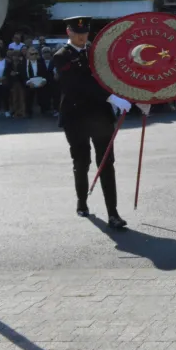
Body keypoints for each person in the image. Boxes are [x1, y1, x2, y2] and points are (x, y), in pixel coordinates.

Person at [52, 16, 132, 229]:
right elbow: (77, 85)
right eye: (77, 33)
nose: (82, 37)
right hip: (75, 117)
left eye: (85, 33)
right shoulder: (61, 56)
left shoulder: (97, 54)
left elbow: (115, 75)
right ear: (68, 32)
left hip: (100, 116)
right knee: (82, 162)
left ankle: (113, 214)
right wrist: (111, 97)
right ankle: (82, 200)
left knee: (106, 163)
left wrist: (134, 95)